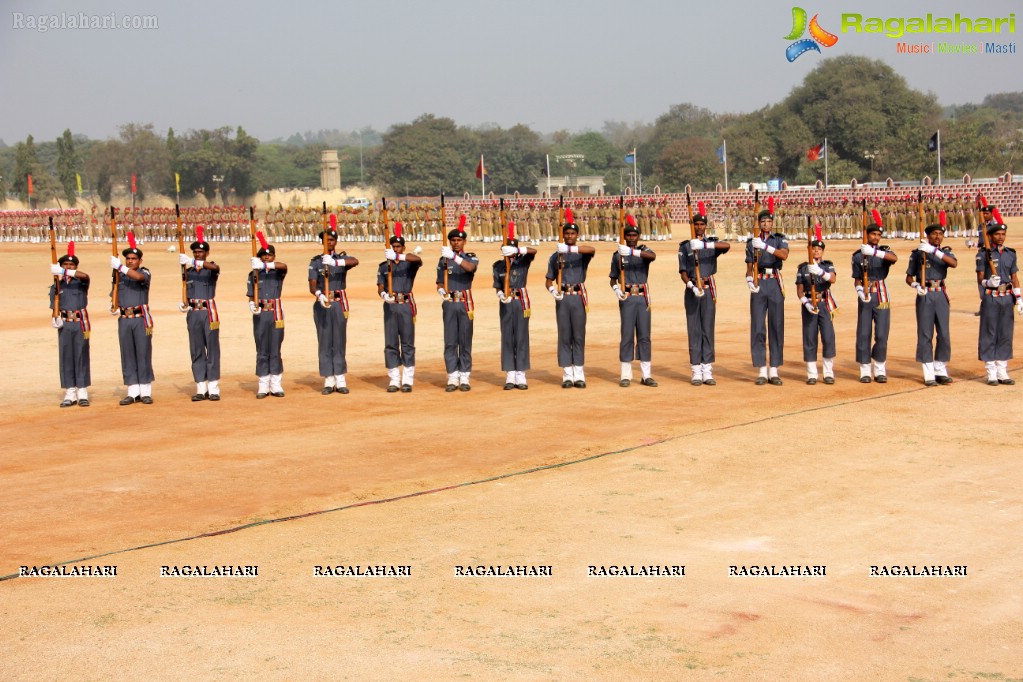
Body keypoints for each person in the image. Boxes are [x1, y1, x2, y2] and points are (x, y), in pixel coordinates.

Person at [678, 209, 730, 385]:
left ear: (706, 226)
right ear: (692, 226)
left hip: (708, 289)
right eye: (696, 224)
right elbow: (683, 271)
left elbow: (727, 246)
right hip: (693, 288)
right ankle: (695, 370)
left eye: (702, 224)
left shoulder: (711, 243)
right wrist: (691, 285)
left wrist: (706, 246)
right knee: (694, 329)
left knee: (707, 328)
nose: (699, 227)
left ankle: (707, 369)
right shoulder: (685, 246)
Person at [545, 214, 596, 388]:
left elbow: (591, 250)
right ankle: (567, 374)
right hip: (563, 297)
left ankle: (579, 373)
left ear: (577, 236)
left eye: (572, 234)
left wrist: (570, 250)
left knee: (579, 335)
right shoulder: (555, 256)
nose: (569, 236)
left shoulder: (581, 254)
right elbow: (548, 280)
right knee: (564, 335)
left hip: (578, 297)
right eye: (566, 234)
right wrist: (552, 291)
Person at [905, 221, 957, 386]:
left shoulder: (944, 252)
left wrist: (934, 251)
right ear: (927, 236)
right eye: (934, 234)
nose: (937, 237)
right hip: (925, 294)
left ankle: (940, 369)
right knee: (925, 334)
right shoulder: (918, 254)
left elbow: (953, 263)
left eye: (940, 234)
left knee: (944, 333)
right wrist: (915, 285)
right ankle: (928, 372)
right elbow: (909, 277)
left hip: (940, 293)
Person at [308, 227, 358, 394]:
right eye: (326, 240)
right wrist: (319, 294)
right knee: (324, 341)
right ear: (322, 241)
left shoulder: (341, 258)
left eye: (331, 240)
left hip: (339, 303)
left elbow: (354, 261)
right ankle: (328, 379)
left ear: (335, 241)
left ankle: (340, 378)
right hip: (323, 302)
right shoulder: (315, 262)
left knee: (339, 340)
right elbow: (312, 284)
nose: (328, 242)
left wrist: (336, 262)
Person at [610, 217, 657, 387]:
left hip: (643, 297)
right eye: (628, 235)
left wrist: (631, 252)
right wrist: (616, 290)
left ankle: (646, 375)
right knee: (627, 335)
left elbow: (652, 256)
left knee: (644, 336)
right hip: (627, 297)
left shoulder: (642, 251)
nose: (631, 238)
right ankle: (625, 375)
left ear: (638, 236)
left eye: (634, 235)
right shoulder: (617, 256)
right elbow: (613, 279)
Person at [745, 209, 789, 385]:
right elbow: (749, 265)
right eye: (762, 222)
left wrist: (765, 247)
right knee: (757, 326)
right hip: (759, 281)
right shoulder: (751, 242)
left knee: (776, 325)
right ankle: (762, 369)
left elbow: (784, 255)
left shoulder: (779, 239)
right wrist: (749, 279)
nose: (765, 224)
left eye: (768, 221)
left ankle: (774, 369)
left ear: (772, 223)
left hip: (774, 282)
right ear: (759, 224)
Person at [852, 217, 898, 383]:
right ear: (867, 235)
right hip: (865, 293)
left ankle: (879, 368)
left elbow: (894, 258)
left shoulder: (883, 251)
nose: (876, 237)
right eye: (873, 234)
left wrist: (875, 252)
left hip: (881, 293)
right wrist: (858, 290)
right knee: (864, 333)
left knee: (882, 333)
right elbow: (857, 278)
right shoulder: (858, 256)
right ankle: (865, 369)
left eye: (879, 235)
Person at [110, 233, 155, 404]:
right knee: (127, 353)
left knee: (143, 353)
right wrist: (113, 305)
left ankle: (145, 391)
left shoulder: (144, 272)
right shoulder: (119, 276)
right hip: (125, 318)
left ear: (140, 261)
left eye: (133, 258)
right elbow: (114, 292)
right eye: (127, 258)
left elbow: (138, 278)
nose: (130, 261)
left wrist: (121, 268)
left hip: (140, 318)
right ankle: (133, 390)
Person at [378, 225, 422, 392]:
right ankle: (394, 378)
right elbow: (380, 286)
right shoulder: (384, 266)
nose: (395, 248)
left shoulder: (408, 262)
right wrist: (383, 295)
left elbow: (418, 260)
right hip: (390, 306)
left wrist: (399, 256)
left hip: (405, 305)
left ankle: (407, 379)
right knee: (390, 343)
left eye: (398, 246)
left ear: (403, 248)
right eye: (393, 247)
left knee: (407, 343)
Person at [179, 228, 222, 400]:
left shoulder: (210, 269)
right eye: (195, 252)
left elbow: (215, 267)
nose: (197, 254)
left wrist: (193, 261)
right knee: (196, 349)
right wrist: (184, 304)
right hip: (194, 312)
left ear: (207, 253)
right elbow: (185, 291)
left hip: (209, 311)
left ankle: (213, 388)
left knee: (212, 349)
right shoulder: (188, 272)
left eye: (200, 252)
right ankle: (200, 387)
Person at [976, 221, 1020, 385]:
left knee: (1005, 333)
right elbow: (980, 277)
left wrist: (1019, 298)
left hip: (1007, 297)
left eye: (1003, 234)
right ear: (990, 236)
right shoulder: (983, 254)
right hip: (991, 296)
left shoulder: (1010, 253)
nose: (1001, 237)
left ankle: (1002, 370)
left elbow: (1014, 277)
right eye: (997, 234)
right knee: (989, 332)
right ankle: (991, 371)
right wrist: (988, 282)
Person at [49, 244, 91, 407]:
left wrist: (64, 272)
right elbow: (55, 306)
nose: (68, 267)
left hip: (80, 323)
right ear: (60, 266)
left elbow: (85, 276)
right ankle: (70, 392)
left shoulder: (80, 282)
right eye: (65, 265)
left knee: (81, 356)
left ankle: (82, 392)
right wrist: (54, 318)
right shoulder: (56, 286)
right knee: (66, 357)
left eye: (71, 265)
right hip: (65, 324)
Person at [438, 222, 478, 391]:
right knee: (450, 341)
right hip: (449, 303)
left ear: (464, 242)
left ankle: (464, 376)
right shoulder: (443, 259)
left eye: (458, 240)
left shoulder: (470, 257)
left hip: (465, 302)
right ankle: (452, 376)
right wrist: (440, 289)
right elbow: (440, 281)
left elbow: (470, 268)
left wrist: (454, 257)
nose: (455, 243)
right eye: (453, 240)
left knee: (465, 340)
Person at [493, 235, 537, 389]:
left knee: (521, 337)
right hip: (506, 302)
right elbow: (497, 285)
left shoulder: (522, 262)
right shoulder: (498, 265)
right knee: (507, 337)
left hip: (520, 302)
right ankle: (510, 374)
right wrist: (500, 294)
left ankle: (521, 374)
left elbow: (533, 251)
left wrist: (518, 249)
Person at [794, 234, 838, 385]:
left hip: (824, 303)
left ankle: (828, 372)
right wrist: (805, 302)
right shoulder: (802, 267)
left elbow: (832, 279)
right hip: (809, 304)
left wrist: (820, 272)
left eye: (819, 249)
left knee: (828, 337)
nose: (817, 251)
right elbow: (799, 289)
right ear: (809, 250)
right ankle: (812, 374)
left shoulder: (827, 265)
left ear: (823, 252)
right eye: (814, 248)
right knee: (810, 338)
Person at [247, 240, 287, 398]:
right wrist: (251, 305)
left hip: (276, 312)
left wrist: (265, 266)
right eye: (263, 256)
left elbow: (284, 266)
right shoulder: (253, 274)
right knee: (262, 347)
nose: (266, 257)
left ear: (274, 256)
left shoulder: (277, 272)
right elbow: (251, 295)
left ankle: (276, 384)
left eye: (269, 255)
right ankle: (263, 384)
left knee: (275, 348)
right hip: (261, 313)